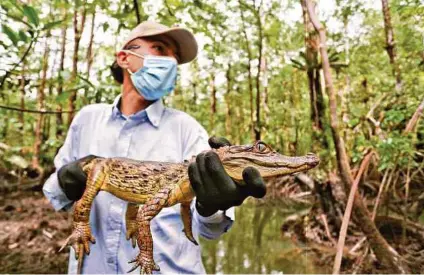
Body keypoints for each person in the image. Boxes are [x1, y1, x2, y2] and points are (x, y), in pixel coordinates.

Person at [43, 21, 266, 274]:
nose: (170, 61)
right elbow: (54, 196)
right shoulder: (87, 119)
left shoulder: (187, 129)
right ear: (125, 58)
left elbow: (209, 229)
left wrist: (211, 205)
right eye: (160, 48)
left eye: (175, 57)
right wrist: (65, 179)